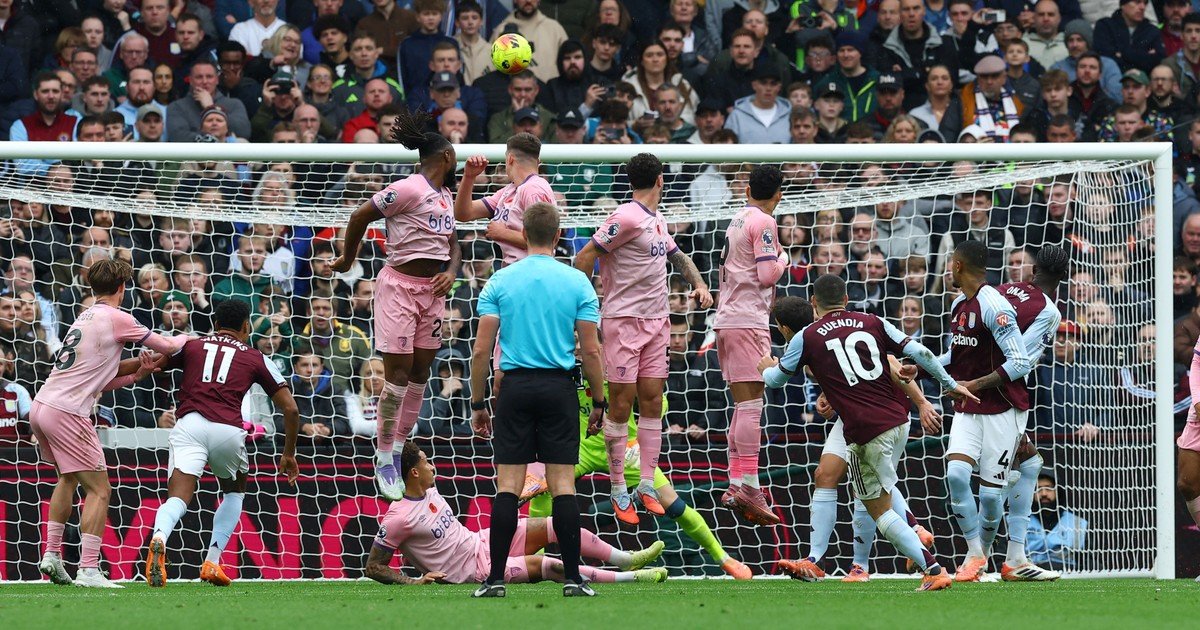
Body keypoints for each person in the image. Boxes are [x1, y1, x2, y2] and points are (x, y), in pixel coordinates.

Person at [762, 284, 973, 592]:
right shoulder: (871, 321)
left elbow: (776, 381)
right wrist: (949, 384)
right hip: (896, 421)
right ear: (845, 299)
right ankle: (821, 558)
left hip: (866, 428)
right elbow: (919, 353)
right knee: (844, 480)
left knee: (877, 507)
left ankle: (931, 567)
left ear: (814, 302)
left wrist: (766, 367)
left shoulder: (806, 337)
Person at [468, 202, 606, 597]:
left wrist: (478, 404)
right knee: (563, 484)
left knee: (508, 486)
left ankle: (495, 580)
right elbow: (592, 350)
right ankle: (575, 580)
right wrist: (598, 400)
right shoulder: (577, 282)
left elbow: (481, 351)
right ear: (559, 235)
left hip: (515, 388)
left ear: (524, 235)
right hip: (559, 388)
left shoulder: (501, 280)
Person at [572, 153, 713, 525]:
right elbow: (585, 255)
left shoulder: (656, 219)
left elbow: (678, 256)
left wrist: (698, 283)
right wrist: (582, 309)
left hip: (657, 322)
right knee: (621, 402)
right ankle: (618, 487)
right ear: (661, 180)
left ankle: (646, 484)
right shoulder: (627, 216)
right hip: (623, 322)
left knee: (652, 399)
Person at [521, 358, 753, 580]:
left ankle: (722, 557)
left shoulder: (621, 370)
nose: (580, 347)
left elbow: (658, 402)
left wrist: (646, 427)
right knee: (543, 493)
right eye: (577, 342)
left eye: (586, 343)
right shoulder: (567, 369)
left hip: (625, 448)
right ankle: (533, 562)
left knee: (674, 505)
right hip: (580, 448)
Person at [332, 108, 461, 501]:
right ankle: (384, 452)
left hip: (432, 292)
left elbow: (454, 243)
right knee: (398, 376)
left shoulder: (445, 196)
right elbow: (360, 214)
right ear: (447, 158)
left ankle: (401, 443)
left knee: (422, 373)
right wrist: (349, 256)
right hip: (399, 288)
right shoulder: (409, 188)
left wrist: (452, 271)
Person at [33, 258, 185, 588]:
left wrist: (139, 372)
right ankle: (88, 569)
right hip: (69, 412)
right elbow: (169, 346)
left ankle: (52, 554)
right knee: (100, 489)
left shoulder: (84, 318)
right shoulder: (118, 317)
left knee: (68, 478)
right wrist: (194, 338)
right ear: (122, 288)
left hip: (42, 406)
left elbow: (99, 378)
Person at [144, 300, 299, 587]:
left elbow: (155, 364)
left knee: (177, 498)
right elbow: (290, 409)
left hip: (189, 425)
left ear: (215, 324)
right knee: (234, 493)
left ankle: (160, 536)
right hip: (227, 431)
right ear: (246, 327)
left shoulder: (191, 346)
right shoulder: (255, 357)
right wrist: (288, 454)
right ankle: (212, 561)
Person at [365, 442, 668, 586]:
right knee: (550, 566)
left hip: (480, 542)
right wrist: (413, 582)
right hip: (472, 571)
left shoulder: (429, 490)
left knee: (555, 525)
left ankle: (626, 558)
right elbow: (374, 567)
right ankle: (633, 577)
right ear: (415, 472)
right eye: (427, 462)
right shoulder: (398, 518)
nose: (433, 466)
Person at [934, 239, 1036, 582]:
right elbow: (956, 357)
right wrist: (919, 367)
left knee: (991, 498)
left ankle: (989, 556)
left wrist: (973, 385)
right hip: (967, 408)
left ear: (959, 266)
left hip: (1002, 410)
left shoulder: (995, 305)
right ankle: (975, 554)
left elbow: (1020, 361)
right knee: (956, 476)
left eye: (951, 264)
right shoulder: (958, 304)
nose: (949, 269)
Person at [974, 245, 1070, 582]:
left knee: (1028, 464)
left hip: (973, 386)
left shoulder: (999, 290)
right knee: (995, 482)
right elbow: (1021, 360)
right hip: (1003, 396)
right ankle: (981, 558)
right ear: (1063, 276)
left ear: (1032, 269)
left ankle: (1006, 557)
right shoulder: (1049, 310)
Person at [709, 164, 788, 526]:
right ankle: (750, 485)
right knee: (753, 404)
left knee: (743, 405)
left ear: (747, 189)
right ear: (779, 195)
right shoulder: (764, 222)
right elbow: (767, 274)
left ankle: (736, 481)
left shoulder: (738, 218)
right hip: (746, 320)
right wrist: (785, 259)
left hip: (727, 320)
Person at [455, 133, 556, 268]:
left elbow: (543, 242)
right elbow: (463, 214)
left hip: (532, 272)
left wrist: (503, 233)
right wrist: (469, 177)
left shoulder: (533, 188)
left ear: (509, 159)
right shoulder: (509, 191)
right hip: (514, 271)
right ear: (538, 162)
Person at [1026, 471, 1089, 570]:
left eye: (1049, 488)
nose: (1044, 493)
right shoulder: (1017, 522)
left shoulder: (1077, 523)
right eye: (1038, 489)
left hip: (1067, 575)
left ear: (1058, 491)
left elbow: (1086, 561)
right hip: (1028, 576)